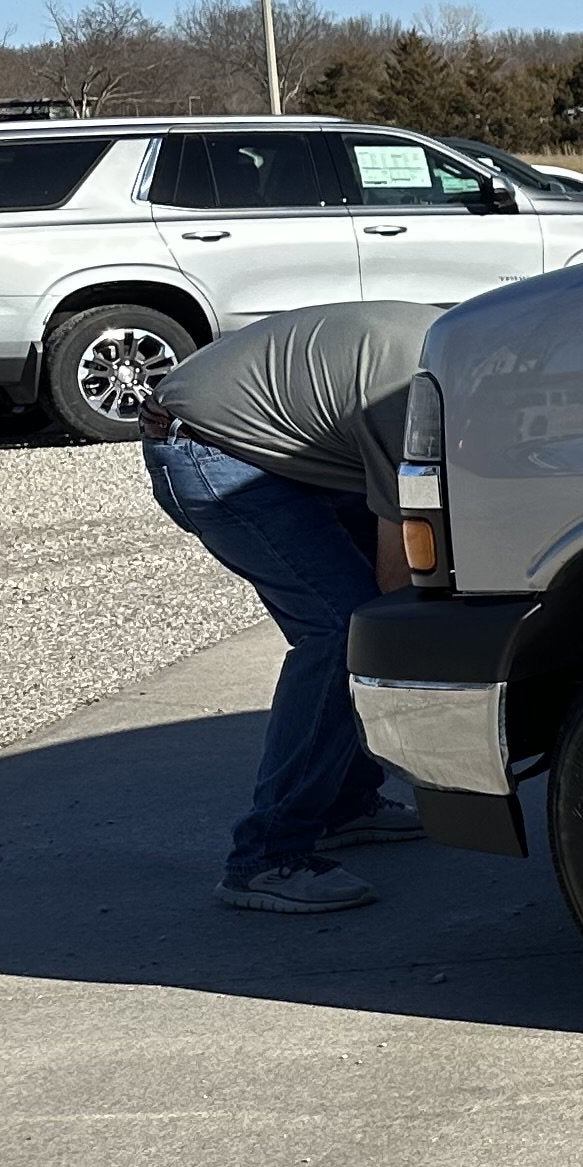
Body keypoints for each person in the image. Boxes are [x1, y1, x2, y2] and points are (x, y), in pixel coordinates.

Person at [137, 302, 441, 913]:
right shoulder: (411, 400)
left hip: (262, 441)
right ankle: (265, 858)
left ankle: (344, 804)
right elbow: (393, 579)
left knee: (353, 627)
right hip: (208, 451)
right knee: (345, 632)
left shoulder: (460, 348)